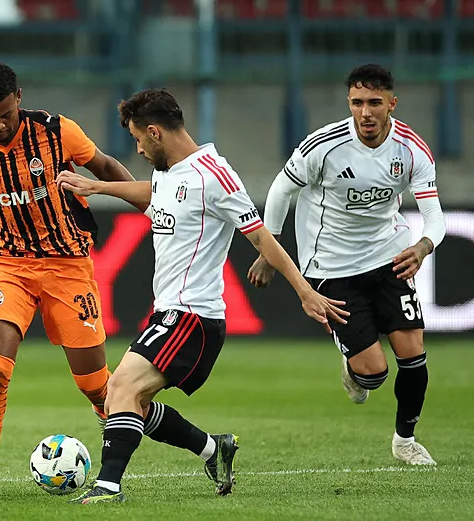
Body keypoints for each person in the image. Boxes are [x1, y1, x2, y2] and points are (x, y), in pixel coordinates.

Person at [56, 88, 348, 504]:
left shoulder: (215, 175)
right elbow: (154, 194)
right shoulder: (168, 171)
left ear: (155, 132)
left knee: (119, 389)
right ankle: (214, 448)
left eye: (139, 139)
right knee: (123, 400)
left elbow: (260, 234)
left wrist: (304, 290)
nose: (137, 148)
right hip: (169, 313)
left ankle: (107, 487)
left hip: (193, 316)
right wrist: (97, 187)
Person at [0, 62, 142, 496]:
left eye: (5, 114)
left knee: (98, 389)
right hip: (7, 266)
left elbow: (105, 165)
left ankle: (200, 444)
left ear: (19, 97)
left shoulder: (57, 132)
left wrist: (152, 203)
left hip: (68, 264)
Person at [247, 64, 445, 465]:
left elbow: (434, 215)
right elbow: (282, 189)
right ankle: (353, 362)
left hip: (389, 256)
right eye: (357, 103)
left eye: (375, 102)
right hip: (331, 266)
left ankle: (404, 440)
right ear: (348, 104)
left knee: (413, 353)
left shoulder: (411, 150)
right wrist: (270, 250)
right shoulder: (324, 146)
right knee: (373, 373)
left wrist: (423, 245)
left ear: (392, 103)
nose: (366, 112)